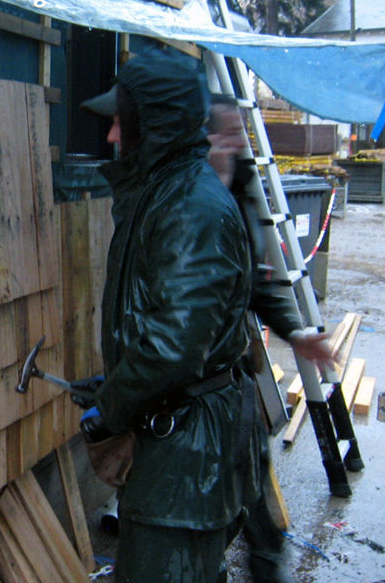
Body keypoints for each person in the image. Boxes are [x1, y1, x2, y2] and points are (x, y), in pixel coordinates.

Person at [76, 38, 258, 583]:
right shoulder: (165, 193)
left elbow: (174, 347)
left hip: (187, 462)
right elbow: (159, 322)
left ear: (152, 126)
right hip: (174, 447)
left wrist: (112, 404)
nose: (110, 134)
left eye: (120, 122)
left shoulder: (190, 209)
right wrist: (119, 379)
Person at [208, 95, 335, 583]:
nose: (239, 141)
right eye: (228, 133)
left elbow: (258, 283)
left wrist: (296, 332)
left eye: (241, 131)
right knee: (206, 515)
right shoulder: (181, 202)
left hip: (234, 380)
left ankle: (266, 567)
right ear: (203, 138)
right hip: (190, 392)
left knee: (260, 505)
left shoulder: (241, 194)